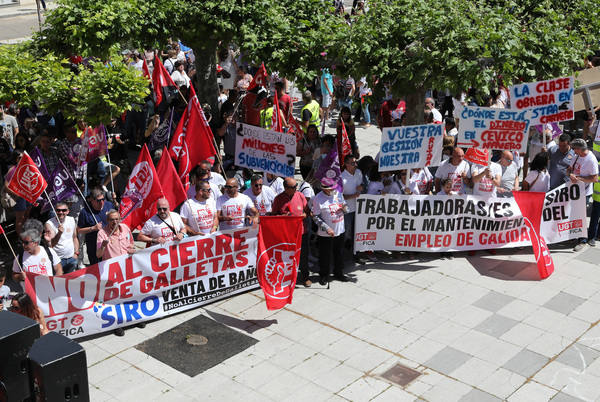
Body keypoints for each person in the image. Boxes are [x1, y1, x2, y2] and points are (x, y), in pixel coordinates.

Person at [272, 177, 312, 287]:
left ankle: (305, 277)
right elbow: (273, 216)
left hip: (302, 232)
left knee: (304, 256)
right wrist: (282, 216)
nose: (295, 189)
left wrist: (305, 214)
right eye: (293, 187)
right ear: (285, 188)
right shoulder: (278, 199)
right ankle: (286, 277)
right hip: (287, 234)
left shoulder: (300, 195)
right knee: (287, 257)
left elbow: (308, 211)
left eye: (296, 186)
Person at [311, 177, 348, 285]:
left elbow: (346, 208)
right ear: (324, 189)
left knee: (339, 253)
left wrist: (344, 208)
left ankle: (339, 273)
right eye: (330, 188)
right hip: (326, 234)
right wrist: (326, 228)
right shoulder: (318, 198)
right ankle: (324, 275)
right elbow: (315, 217)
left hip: (340, 230)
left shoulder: (338, 194)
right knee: (325, 255)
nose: (333, 190)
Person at [568, 139, 599, 251]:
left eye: (574, 149)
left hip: (584, 192)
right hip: (574, 190)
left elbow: (595, 179)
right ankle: (574, 235)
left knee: (581, 215)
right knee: (573, 214)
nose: (573, 151)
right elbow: (569, 169)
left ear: (579, 149)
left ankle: (583, 240)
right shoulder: (577, 156)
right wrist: (570, 174)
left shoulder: (591, 160)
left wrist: (579, 179)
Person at [78, 188, 114, 265]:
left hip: (109, 243)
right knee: (96, 268)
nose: (102, 202)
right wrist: (92, 228)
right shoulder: (85, 212)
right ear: (92, 200)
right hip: (94, 245)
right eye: (98, 200)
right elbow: (79, 230)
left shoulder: (109, 205)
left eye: (103, 199)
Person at [341, 154, 365, 264]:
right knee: (347, 233)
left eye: (356, 162)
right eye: (352, 163)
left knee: (358, 233)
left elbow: (364, 185)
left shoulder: (359, 173)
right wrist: (352, 196)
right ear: (346, 164)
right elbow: (339, 197)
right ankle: (344, 255)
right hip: (348, 210)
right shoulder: (342, 178)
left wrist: (362, 187)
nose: (355, 164)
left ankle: (356, 254)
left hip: (359, 209)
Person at [45, 202, 79, 273]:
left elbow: (75, 238)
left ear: (68, 211)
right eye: (58, 210)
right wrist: (59, 233)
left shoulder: (71, 220)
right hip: (58, 260)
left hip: (71, 258)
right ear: (55, 211)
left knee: (70, 281)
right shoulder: (49, 224)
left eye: (64, 210)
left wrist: (76, 253)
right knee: (57, 282)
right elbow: (51, 244)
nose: (61, 212)